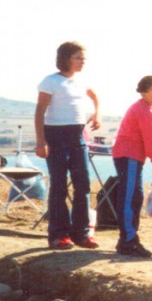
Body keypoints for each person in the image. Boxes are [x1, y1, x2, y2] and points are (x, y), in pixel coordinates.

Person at [35, 41, 100, 250]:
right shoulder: (51, 81)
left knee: (83, 185)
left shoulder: (82, 81)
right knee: (59, 186)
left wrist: (97, 113)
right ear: (66, 58)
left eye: (84, 58)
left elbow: (94, 96)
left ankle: (81, 234)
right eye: (78, 58)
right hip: (56, 136)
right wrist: (41, 141)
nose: (82, 62)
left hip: (77, 135)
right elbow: (39, 112)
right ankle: (58, 234)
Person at [110, 75, 152, 257]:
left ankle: (128, 238)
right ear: (144, 92)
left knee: (135, 196)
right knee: (129, 197)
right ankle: (128, 240)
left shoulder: (145, 109)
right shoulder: (144, 111)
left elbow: (151, 142)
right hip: (129, 155)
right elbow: (150, 143)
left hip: (132, 156)